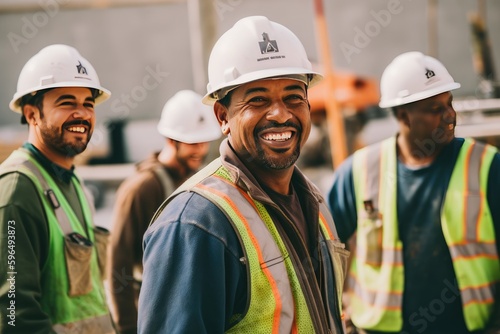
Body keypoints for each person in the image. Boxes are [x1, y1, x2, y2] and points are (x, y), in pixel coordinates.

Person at [138, 15, 349, 333]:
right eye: (258, 100)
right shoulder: (195, 224)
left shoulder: (315, 204)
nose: (280, 114)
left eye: (294, 96)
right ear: (223, 117)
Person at [327, 51, 500, 333]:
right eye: (435, 109)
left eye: (450, 103)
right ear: (403, 115)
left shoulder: (487, 166)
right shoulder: (359, 171)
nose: (450, 116)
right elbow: (324, 255)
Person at [0, 44, 115, 333]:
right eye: (66, 102)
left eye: (88, 104)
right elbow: (14, 314)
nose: (82, 114)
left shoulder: (73, 182)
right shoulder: (17, 191)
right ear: (32, 114)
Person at [108, 89, 222, 334]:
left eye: (204, 141)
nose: (200, 150)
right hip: (151, 314)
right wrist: (127, 327)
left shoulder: (196, 179)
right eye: (192, 142)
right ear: (171, 139)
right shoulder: (141, 188)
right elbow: (118, 264)